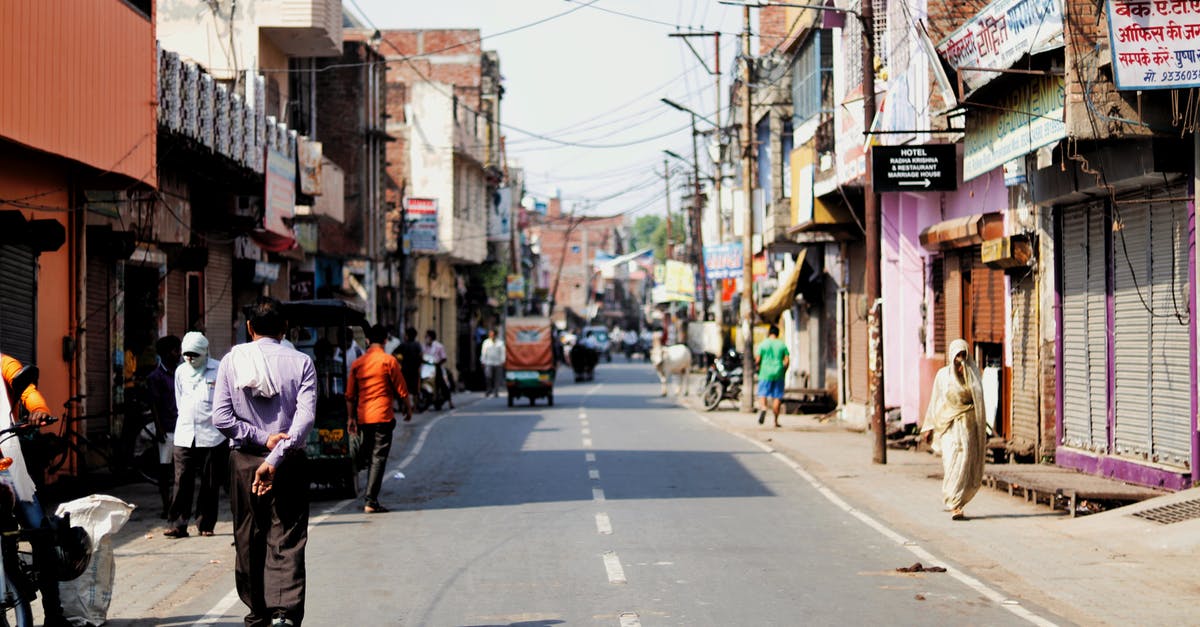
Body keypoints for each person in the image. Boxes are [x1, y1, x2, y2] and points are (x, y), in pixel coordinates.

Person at [213, 297, 317, 627]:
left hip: (244, 462)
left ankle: (257, 613)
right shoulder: (302, 362)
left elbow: (221, 417)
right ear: (285, 329)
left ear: (249, 328)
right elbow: (305, 418)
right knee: (285, 537)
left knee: (248, 537)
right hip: (288, 461)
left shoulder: (233, 360)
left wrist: (260, 440)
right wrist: (275, 455)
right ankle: (283, 615)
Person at [0, 353, 68, 626]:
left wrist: (38, 409)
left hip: (5, 464)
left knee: (39, 530)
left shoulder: (3, 363)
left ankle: (54, 613)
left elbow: (27, 390)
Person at [164, 332, 228, 539]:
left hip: (212, 435)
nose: (190, 359)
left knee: (210, 482)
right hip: (185, 433)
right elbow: (179, 399)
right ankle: (177, 524)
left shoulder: (218, 370)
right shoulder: (181, 371)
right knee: (181, 480)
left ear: (205, 352)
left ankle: (206, 524)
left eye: (194, 355)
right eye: (186, 355)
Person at [347, 324, 412, 514]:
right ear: (385, 340)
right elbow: (402, 389)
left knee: (370, 455)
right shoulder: (388, 361)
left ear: (367, 340)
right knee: (378, 457)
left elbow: (350, 395)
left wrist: (351, 418)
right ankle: (371, 500)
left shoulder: (358, 364)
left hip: (364, 417)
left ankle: (368, 494)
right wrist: (408, 409)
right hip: (383, 416)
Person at [920, 338, 987, 521]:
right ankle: (953, 501)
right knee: (951, 463)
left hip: (968, 426)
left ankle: (957, 504)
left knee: (965, 462)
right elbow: (935, 401)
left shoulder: (973, 373)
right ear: (951, 356)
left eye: (963, 355)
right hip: (948, 426)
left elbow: (979, 402)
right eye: (957, 355)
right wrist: (929, 427)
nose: (960, 359)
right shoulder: (943, 376)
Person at [146, 335, 181, 518]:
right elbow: (154, 405)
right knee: (165, 470)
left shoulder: (182, 372)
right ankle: (167, 505)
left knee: (179, 472)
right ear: (167, 353)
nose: (179, 354)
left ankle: (177, 505)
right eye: (176, 350)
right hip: (166, 429)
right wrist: (159, 430)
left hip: (182, 427)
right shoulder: (156, 377)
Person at [754, 325, 790, 428]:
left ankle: (764, 407)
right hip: (778, 372)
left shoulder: (763, 344)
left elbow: (757, 359)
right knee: (777, 397)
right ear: (777, 333)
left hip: (765, 372)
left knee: (762, 393)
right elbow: (787, 360)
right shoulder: (782, 345)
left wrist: (758, 367)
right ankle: (775, 421)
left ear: (769, 333)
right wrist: (784, 370)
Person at [423, 330, 454, 409]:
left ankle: (450, 402)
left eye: (427, 337)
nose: (425, 338)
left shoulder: (438, 346)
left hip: (437, 368)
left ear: (431, 337)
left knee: (442, 384)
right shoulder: (424, 346)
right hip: (427, 368)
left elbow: (444, 358)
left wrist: (437, 364)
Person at [395, 328, 423, 404]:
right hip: (414, 370)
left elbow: (394, 353)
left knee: (405, 388)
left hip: (405, 370)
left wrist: (399, 360)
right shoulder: (417, 345)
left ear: (407, 335)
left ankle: (405, 406)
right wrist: (419, 365)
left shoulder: (403, 344)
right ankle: (415, 406)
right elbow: (421, 356)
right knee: (415, 390)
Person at [479, 328, 505, 398]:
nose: (492, 336)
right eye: (490, 335)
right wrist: (483, 361)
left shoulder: (500, 343)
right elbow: (483, 353)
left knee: (497, 378)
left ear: (495, 335)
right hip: (488, 362)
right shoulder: (486, 342)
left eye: (493, 335)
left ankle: (496, 391)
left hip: (497, 363)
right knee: (488, 377)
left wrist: (502, 361)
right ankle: (488, 390)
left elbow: (502, 353)